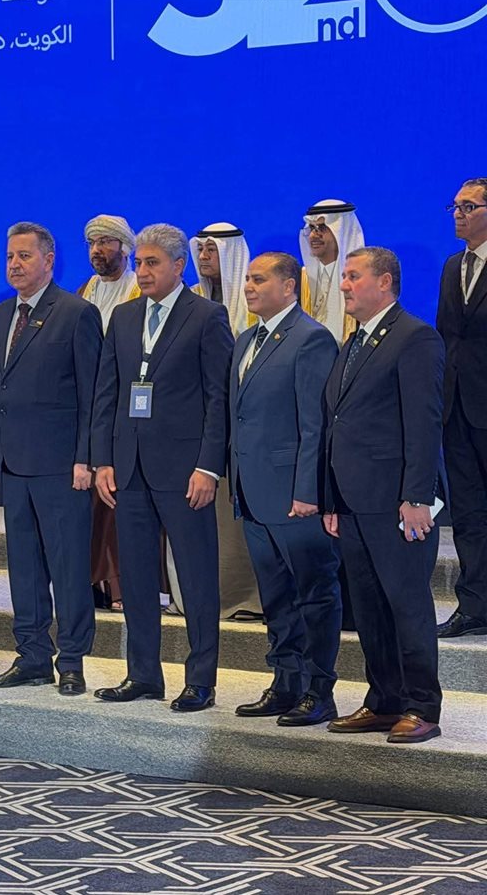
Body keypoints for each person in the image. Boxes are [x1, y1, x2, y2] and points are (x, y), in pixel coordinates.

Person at [92, 223, 233, 712]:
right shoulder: (124, 316)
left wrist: (208, 467)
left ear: (178, 265)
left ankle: (200, 681)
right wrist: (103, 459)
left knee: (195, 579)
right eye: (139, 263)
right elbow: (107, 393)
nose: (143, 271)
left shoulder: (207, 316)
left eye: (152, 263)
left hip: (185, 470)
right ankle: (143, 675)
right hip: (129, 469)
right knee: (135, 578)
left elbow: (219, 399)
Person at [322, 247, 445, 744]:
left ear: (385, 282)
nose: (345, 285)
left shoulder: (414, 337)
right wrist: (331, 499)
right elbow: (336, 424)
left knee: (406, 605)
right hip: (353, 502)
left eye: (354, 276)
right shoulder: (353, 341)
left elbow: (424, 422)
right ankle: (384, 700)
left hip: (397, 502)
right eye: (345, 276)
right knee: (369, 609)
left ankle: (422, 706)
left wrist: (417, 495)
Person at [0, 222, 102, 697]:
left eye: (24, 256)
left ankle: (71, 661)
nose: (14, 264)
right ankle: (32, 656)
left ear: (49, 261)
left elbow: (93, 395)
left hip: (61, 465)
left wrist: (86, 457)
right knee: (24, 568)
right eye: (10, 256)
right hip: (13, 464)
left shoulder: (76, 313)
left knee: (67, 567)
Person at [229, 252, 341, 726]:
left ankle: (319, 689)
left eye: (259, 279)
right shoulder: (245, 339)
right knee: (275, 596)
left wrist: (308, 490)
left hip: (294, 495)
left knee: (314, 593)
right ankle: (285, 681)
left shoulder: (310, 338)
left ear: (289, 286)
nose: (248, 287)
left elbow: (315, 425)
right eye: (247, 279)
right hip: (253, 493)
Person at [187, 222, 260, 621]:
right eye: (200, 249)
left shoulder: (250, 304)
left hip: (243, 427)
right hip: (198, 425)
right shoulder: (193, 299)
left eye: (212, 250)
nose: (203, 257)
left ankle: (244, 597)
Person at [76, 214, 140, 611]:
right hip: (89, 408)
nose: (97, 250)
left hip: (127, 410)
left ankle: (120, 586)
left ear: (124, 247)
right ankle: (93, 581)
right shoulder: (84, 292)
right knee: (91, 504)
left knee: (117, 500)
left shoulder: (138, 292)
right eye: (92, 243)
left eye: (105, 242)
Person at [435, 177, 487, 638]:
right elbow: (447, 336)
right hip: (457, 409)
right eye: (455, 206)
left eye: (469, 206)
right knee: (469, 512)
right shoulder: (453, 266)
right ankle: (474, 605)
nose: (458, 214)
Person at [299, 200, 362, 341]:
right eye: (311, 228)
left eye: (322, 228)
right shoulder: (300, 280)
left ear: (342, 232)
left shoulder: (361, 283)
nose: (313, 235)